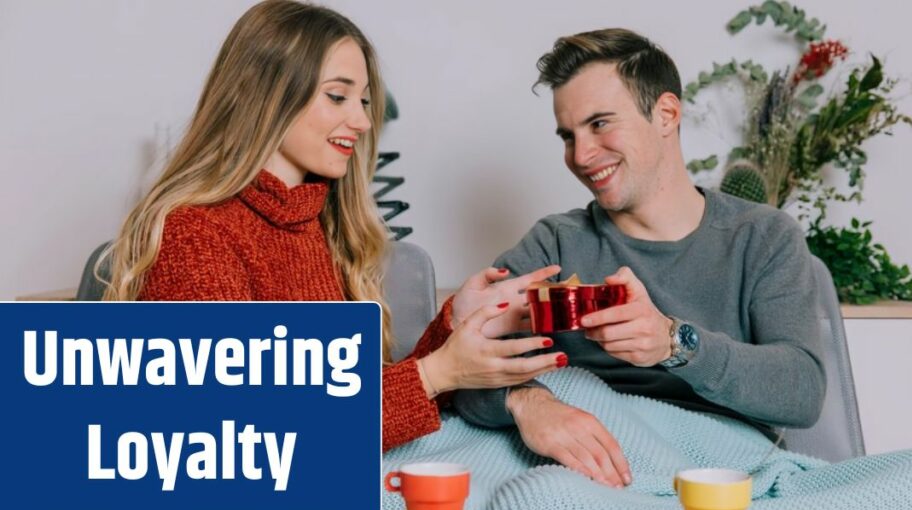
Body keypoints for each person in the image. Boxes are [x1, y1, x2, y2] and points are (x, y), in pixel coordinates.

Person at [99, 0, 565, 452]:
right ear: (267, 96)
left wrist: (453, 328)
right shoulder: (196, 235)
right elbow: (249, 437)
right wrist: (439, 372)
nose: (362, 121)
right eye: (338, 96)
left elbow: (355, 405)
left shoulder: (317, 223)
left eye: (362, 101)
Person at [454, 28, 826, 488]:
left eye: (600, 123)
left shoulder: (763, 238)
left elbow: (802, 392)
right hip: (588, 471)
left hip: (715, 470)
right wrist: (529, 403)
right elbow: (463, 370)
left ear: (666, 113)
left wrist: (674, 343)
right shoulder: (555, 244)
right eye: (568, 136)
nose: (582, 155)